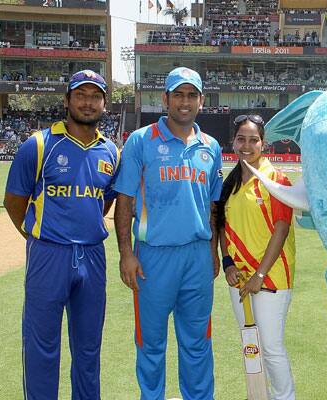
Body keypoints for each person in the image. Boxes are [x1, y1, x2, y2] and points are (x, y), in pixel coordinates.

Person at [3, 69, 119, 400]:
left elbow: (105, 200)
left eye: (95, 96)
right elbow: (14, 202)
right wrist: (38, 236)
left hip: (93, 257)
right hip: (48, 255)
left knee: (88, 349)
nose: (88, 102)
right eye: (80, 95)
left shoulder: (111, 152)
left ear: (104, 104)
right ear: (67, 100)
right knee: (42, 348)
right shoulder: (38, 145)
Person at [113, 67, 223, 400]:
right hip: (153, 258)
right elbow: (124, 201)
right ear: (165, 99)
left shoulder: (211, 147)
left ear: (201, 101)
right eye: (178, 94)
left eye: (192, 95)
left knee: (198, 343)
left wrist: (213, 251)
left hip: (197, 257)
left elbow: (214, 208)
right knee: (151, 344)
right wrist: (126, 254)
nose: (185, 102)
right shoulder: (141, 141)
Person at [216, 114, 297, 400]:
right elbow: (222, 226)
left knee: (272, 347)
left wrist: (259, 276)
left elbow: (282, 229)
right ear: (233, 142)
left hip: (271, 278)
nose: (247, 145)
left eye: (253, 140)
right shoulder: (230, 183)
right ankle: (258, 395)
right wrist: (227, 264)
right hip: (239, 280)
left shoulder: (277, 179)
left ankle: (284, 397)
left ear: (263, 143)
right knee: (251, 345)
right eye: (241, 139)